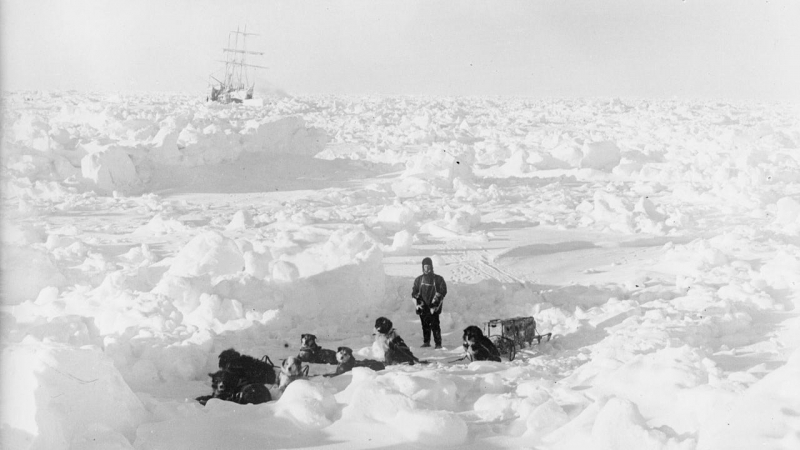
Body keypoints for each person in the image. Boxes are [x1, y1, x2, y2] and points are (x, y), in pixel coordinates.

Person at [411, 257, 447, 349]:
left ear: (432, 267)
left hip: (433, 307)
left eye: (429, 266)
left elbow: (443, 291)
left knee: (435, 326)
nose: (427, 269)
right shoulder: (418, 280)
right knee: (425, 325)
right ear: (423, 267)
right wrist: (419, 302)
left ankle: (438, 344)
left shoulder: (438, 279)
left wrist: (435, 304)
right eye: (425, 267)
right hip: (423, 307)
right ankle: (426, 342)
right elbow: (414, 292)